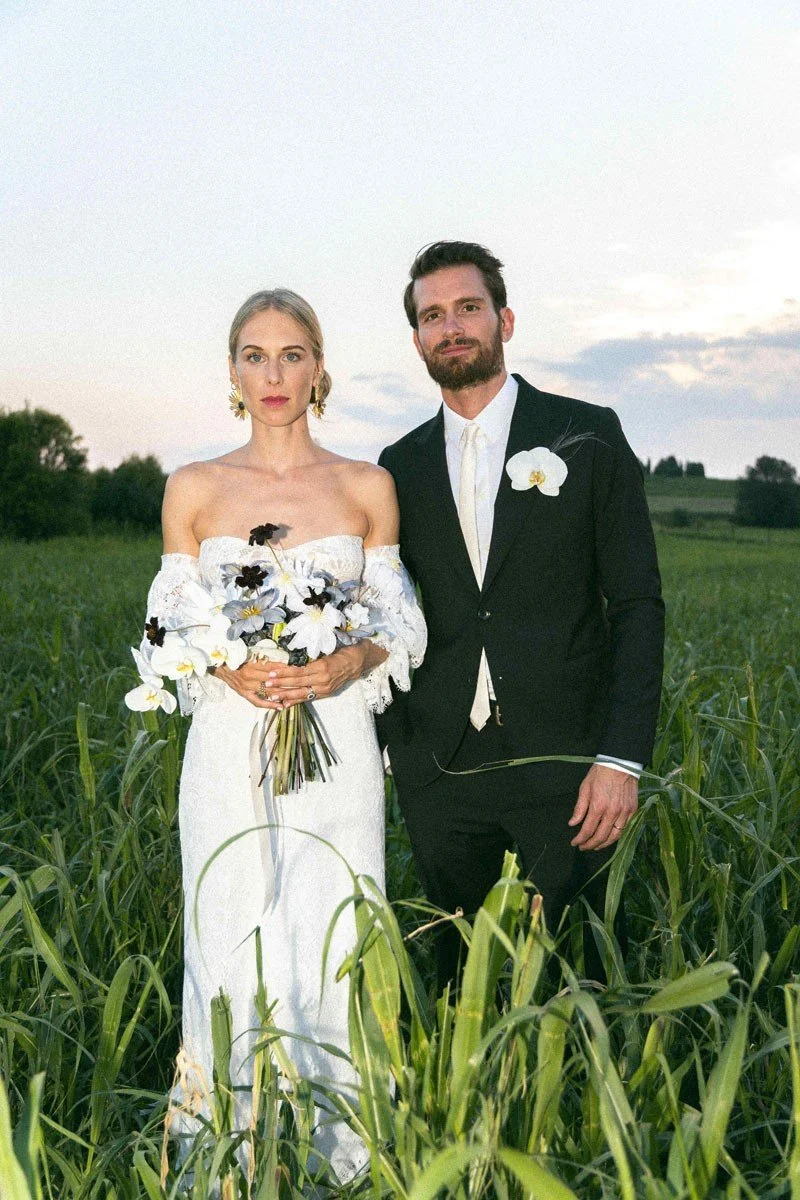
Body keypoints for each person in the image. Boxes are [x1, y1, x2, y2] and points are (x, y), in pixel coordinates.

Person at [141, 289, 426, 1182]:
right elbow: (172, 627)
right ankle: (226, 1153)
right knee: (227, 927)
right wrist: (226, 664)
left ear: (319, 367)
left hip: (336, 749)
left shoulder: (365, 484)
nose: (274, 374)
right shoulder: (194, 487)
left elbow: (399, 620)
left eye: (292, 354)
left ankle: (341, 1155)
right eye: (256, 355)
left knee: (333, 926)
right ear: (232, 370)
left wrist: (345, 664)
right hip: (230, 747)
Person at [377, 242, 665, 989]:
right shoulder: (395, 465)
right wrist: (393, 752)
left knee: (580, 979)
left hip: (566, 763)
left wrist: (621, 759)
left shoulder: (588, 433)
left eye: (467, 307)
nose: (451, 326)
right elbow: (384, 612)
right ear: (417, 341)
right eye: (432, 315)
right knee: (455, 981)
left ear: (503, 318)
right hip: (441, 767)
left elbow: (637, 607)